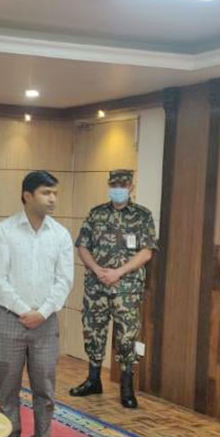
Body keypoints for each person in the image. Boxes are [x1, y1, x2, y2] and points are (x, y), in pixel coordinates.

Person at [0, 170, 73, 437]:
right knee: (7, 388)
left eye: (55, 193)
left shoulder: (60, 235)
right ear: (27, 195)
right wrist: (25, 311)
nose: (53, 199)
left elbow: (64, 281)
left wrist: (43, 311)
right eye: (46, 193)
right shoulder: (3, 232)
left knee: (44, 391)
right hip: (10, 320)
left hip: (46, 324)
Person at [70, 169, 157, 409]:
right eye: (113, 183)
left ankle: (127, 388)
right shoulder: (96, 214)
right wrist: (98, 270)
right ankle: (93, 379)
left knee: (127, 336)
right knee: (92, 330)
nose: (117, 187)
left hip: (126, 287)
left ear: (131, 187)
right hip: (97, 285)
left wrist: (118, 272)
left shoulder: (142, 215)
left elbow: (147, 252)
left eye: (122, 183)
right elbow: (82, 246)